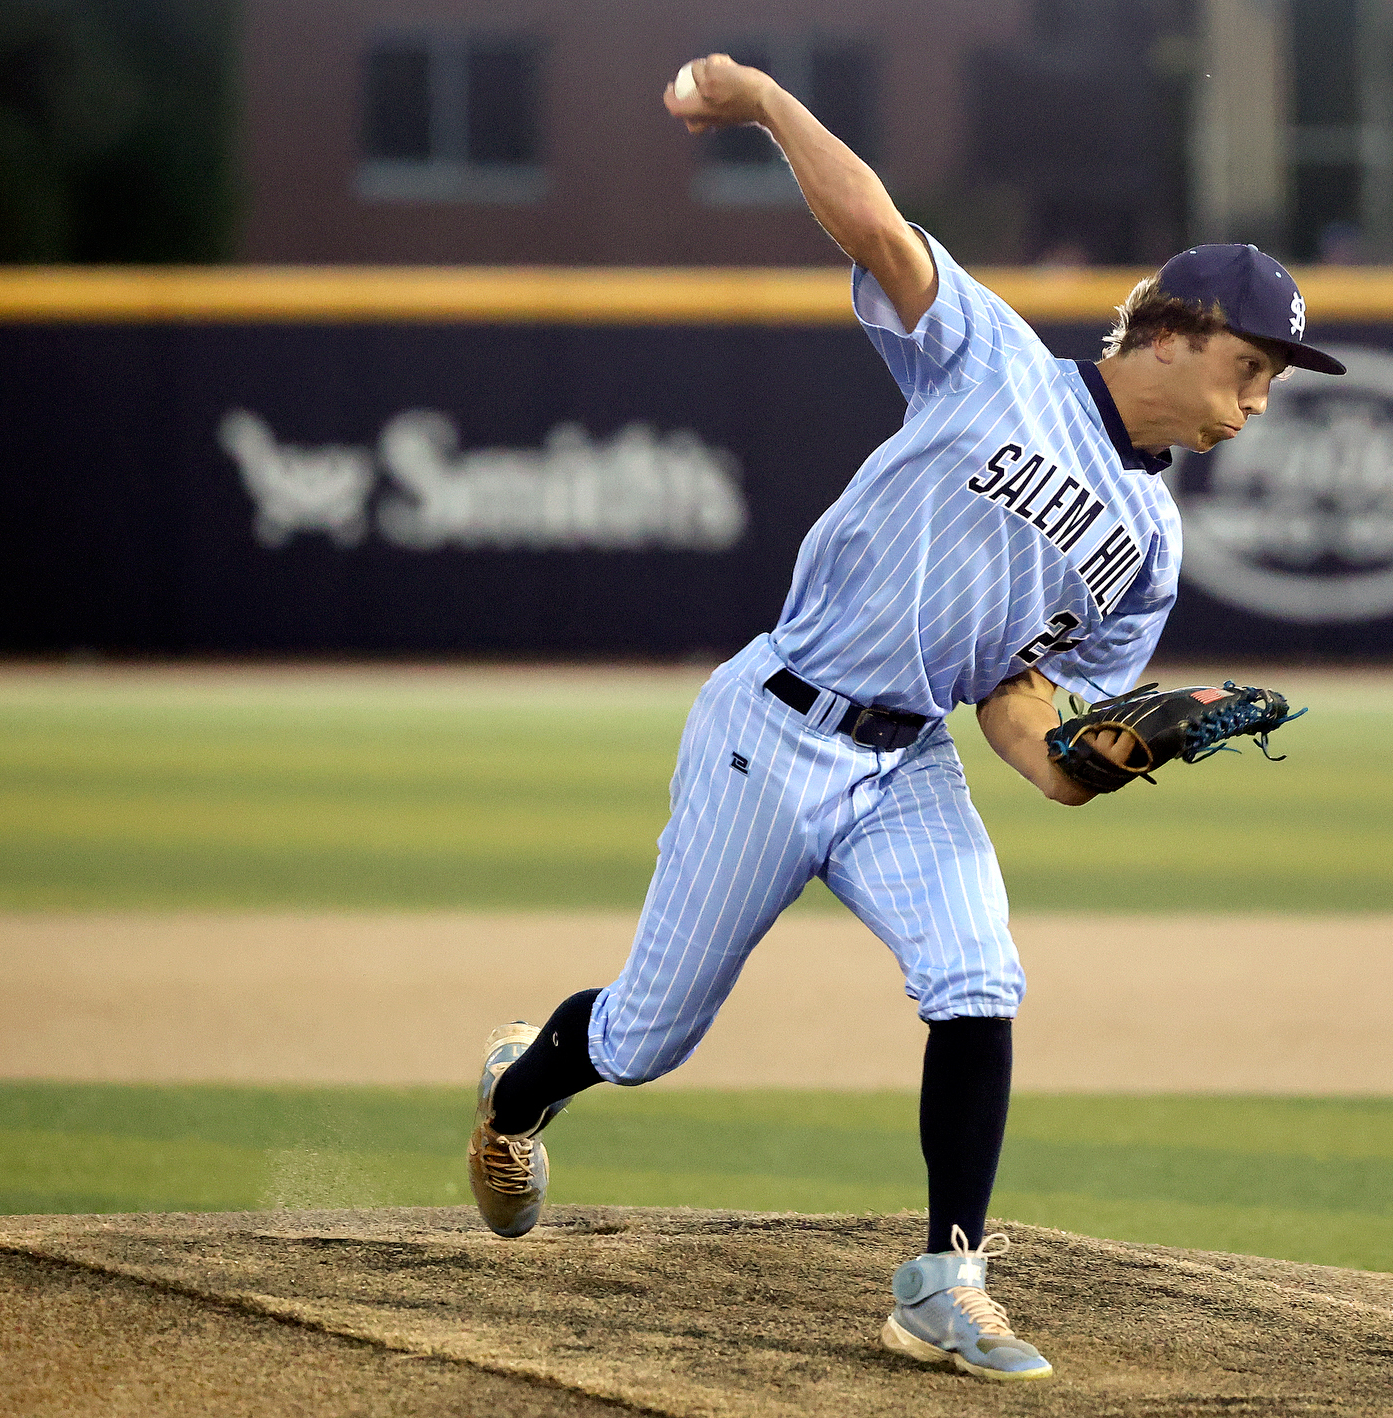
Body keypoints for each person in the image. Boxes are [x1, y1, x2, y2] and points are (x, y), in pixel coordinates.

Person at [465, 53, 1346, 1384]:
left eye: (1278, 375)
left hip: (908, 759)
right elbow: (876, 226)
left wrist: (1117, 753)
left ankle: (944, 1277)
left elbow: (1030, 730)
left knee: (980, 974)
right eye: (1252, 361)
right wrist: (761, 100)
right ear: (1169, 334)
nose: (1263, 393)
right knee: (646, 1036)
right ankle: (522, 1085)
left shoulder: (1152, 545)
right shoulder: (997, 364)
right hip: (776, 724)